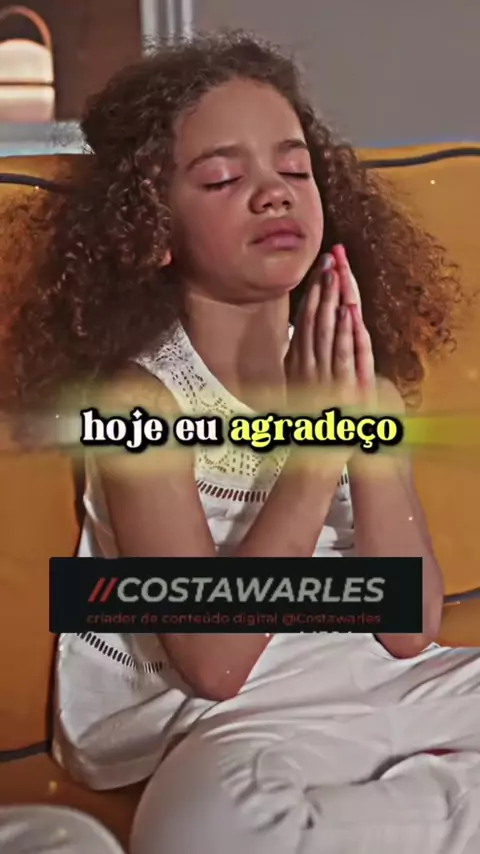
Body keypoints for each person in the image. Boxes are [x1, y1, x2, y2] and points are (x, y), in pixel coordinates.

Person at [3, 30, 480, 854]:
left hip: (388, 688)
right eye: (224, 178)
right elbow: (215, 664)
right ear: (151, 230)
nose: (273, 195)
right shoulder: (140, 402)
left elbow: (409, 628)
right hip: (242, 722)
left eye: (294, 171)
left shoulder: (362, 383)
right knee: (207, 827)